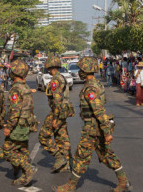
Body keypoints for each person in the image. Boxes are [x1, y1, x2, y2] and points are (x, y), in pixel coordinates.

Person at [52, 57, 132, 192]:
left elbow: (99, 111)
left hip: (93, 128)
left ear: (87, 70)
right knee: (106, 154)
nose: (80, 72)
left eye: (82, 69)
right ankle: (123, 181)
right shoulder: (96, 84)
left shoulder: (90, 88)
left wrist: (107, 132)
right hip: (97, 127)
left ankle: (71, 185)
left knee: (81, 156)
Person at [3, 59, 38, 186]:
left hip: (17, 125)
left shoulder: (16, 89)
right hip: (26, 123)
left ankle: (28, 169)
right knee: (23, 149)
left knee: (8, 150)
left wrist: (9, 127)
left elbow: (15, 110)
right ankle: (24, 173)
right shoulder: (26, 87)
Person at [39, 55, 73, 173]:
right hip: (63, 111)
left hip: (57, 111)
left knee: (43, 136)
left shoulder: (56, 80)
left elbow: (57, 100)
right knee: (61, 136)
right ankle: (66, 163)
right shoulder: (61, 77)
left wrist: (55, 118)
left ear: (50, 66)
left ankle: (59, 157)